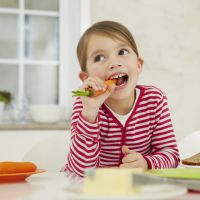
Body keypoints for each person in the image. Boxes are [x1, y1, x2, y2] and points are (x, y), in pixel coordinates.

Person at [63, 21, 180, 178]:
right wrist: (90, 113)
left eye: (122, 52)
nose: (114, 63)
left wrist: (146, 163)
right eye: (99, 57)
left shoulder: (154, 100)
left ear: (138, 65)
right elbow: (80, 170)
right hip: (94, 190)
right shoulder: (85, 106)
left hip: (137, 189)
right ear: (86, 78)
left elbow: (171, 155)